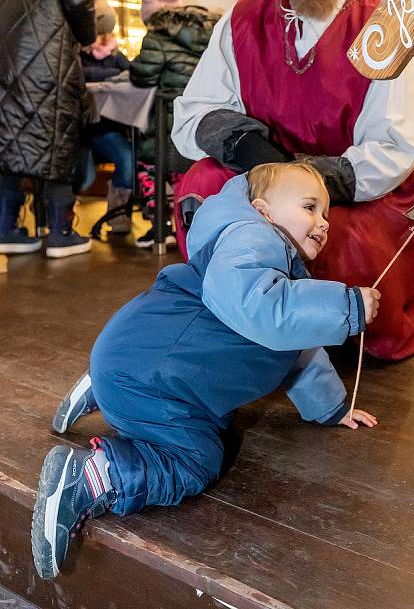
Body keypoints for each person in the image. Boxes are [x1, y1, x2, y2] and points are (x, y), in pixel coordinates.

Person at [31, 161, 380, 580]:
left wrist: (330, 407)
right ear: (264, 210)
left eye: (326, 214)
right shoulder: (252, 238)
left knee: (211, 412)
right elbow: (261, 309)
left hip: (138, 358)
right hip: (151, 377)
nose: (323, 223)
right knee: (197, 457)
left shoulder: (269, 260)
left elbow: (297, 344)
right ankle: (93, 477)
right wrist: (346, 306)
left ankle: (101, 386)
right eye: (310, 207)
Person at [171, 0, 414, 361]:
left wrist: (303, 185)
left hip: (352, 182)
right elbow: (193, 115)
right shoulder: (242, 19)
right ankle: (233, 316)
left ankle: (327, 335)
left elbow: (392, 148)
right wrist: (257, 156)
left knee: (342, 237)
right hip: (265, 170)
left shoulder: (381, 24)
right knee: (202, 185)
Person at [0, 0, 110, 258]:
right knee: (60, 142)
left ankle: (8, 230)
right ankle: (62, 234)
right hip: (50, 57)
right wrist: (87, 36)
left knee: (12, 143)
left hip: (9, 58)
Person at [128, 0, 221, 247]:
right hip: (204, 127)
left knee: (147, 163)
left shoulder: (158, 34)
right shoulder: (213, 29)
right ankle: (189, 229)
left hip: (167, 127)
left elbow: (142, 75)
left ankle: (161, 226)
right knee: (184, 173)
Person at [80, 0, 134, 233]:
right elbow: (82, 75)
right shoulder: (77, 55)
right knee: (123, 161)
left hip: (113, 124)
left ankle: (117, 213)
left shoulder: (115, 54)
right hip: (88, 127)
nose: (103, 39)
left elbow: (134, 73)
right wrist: (113, 77)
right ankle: (116, 213)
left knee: (128, 160)